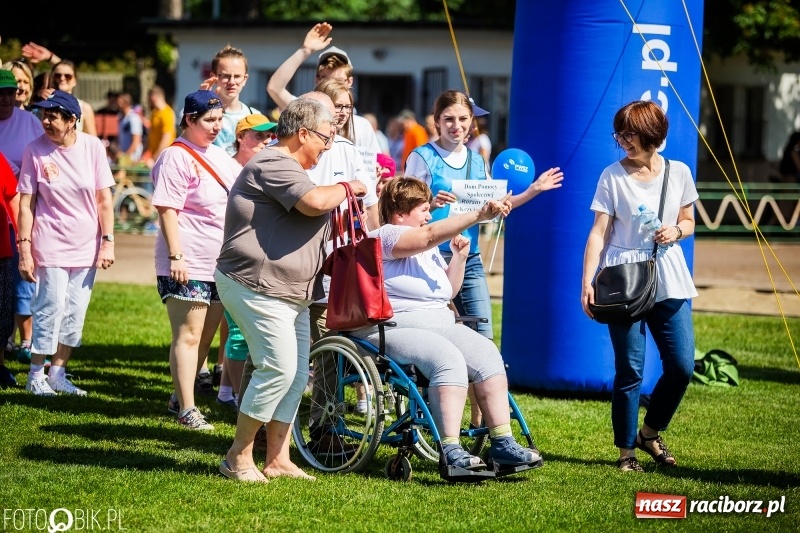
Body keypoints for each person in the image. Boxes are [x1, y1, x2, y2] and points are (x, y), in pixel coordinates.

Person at [215, 97, 368, 483]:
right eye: (325, 138)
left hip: (291, 292)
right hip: (256, 285)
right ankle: (237, 457)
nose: (327, 147)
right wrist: (349, 185)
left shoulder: (289, 166)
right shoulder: (272, 162)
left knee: (297, 375)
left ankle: (278, 459)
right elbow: (314, 202)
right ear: (302, 133)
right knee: (278, 369)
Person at [351, 177, 542, 471]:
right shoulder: (385, 236)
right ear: (401, 212)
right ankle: (451, 450)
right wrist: (479, 214)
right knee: (447, 359)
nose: (429, 216)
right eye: (424, 209)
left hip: (440, 323)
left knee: (487, 354)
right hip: (393, 328)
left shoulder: (425, 247)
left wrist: (459, 258)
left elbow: (447, 292)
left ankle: (502, 443)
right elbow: (428, 235)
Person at [581, 100, 698, 472]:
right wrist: (588, 282)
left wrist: (677, 230)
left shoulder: (678, 172)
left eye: (629, 133)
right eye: (619, 133)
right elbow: (598, 233)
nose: (622, 140)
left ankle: (650, 432)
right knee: (630, 369)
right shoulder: (611, 176)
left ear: (652, 133)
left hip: (670, 274)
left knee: (682, 365)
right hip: (623, 279)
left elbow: (689, 219)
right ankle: (626, 452)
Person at [404, 89, 564, 340]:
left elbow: (493, 204)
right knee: (431, 337)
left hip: (469, 256)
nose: (456, 125)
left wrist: (534, 190)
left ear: (471, 122)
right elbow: (403, 210)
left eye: (462, 119)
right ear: (437, 121)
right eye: (448, 119)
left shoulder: (477, 161)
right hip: (430, 257)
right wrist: (432, 205)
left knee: (484, 337)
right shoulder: (422, 156)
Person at [151, 90, 240, 430]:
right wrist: (176, 255)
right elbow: (167, 211)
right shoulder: (176, 157)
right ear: (189, 120)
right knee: (188, 335)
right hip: (186, 260)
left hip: (218, 262)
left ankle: (178, 397)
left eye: (220, 120)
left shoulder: (217, 155)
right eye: (209, 120)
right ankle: (187, 409)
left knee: (204, 337)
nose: (217, 126)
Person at [17, 90, 116, 396]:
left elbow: (104, 201)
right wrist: (24, 248)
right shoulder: (35, 150)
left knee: (75, 312)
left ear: (72, 120)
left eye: (53, 116)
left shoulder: (92, 147)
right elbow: (26, 204)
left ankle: (58, 372)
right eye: (44, 114)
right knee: (50, 307)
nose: (46, 121)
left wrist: (107, 241)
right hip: (50, 243)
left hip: (86, 247)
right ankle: (36, 374)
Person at [214, 113, 278, 410]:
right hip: (230, 259)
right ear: (240, 137)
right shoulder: (227, 168)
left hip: (246, 257)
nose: (265, 141)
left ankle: (227, 391)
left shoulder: (263, 167)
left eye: (268, 136)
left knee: (236, 329)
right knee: (240, 331)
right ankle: (242, 399)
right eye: (258, 135)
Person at [266, 23, 382, 158]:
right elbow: (274, 87)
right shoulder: (303, 112)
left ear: (349, 82)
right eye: (326, 79)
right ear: (316, 80)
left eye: (338, 81)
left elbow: (373, 164)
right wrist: (305, 50)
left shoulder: (362, 126)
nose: (331, 87)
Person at [0, 69, 44, 364]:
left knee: (22, 281)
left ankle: (27, 342)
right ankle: (7, 343)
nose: (5, 98)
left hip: (21, 211)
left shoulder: (29, 122)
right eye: (0, 93)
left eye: (10, 92)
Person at [201, 45, 261, 156]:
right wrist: (201, 106)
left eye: (237, 76)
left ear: (245, 79)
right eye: (225, 76)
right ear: (213, 77)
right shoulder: (202, 113)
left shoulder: (255, 116)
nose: (232, 82)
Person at [0, 152, 19, 387]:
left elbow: (12, 196)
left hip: (1, 249)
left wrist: (22, 236)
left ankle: (1, 366)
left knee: (2, 313)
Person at [49, 60, 97, 136]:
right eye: (57, 75)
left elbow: (93, 141)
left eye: (68, 76)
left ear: (75, 80)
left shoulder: (84, 108)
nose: (62, 78)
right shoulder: (44, 105)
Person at [144, 85, 176, 166]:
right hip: (154, 156)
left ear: (154, 97)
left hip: (164, 157)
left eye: (149, 97)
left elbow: (166, 138)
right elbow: (150, 135)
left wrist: (155, 157)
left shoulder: (167, 113)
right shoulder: (154, 113)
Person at [117, 93, 144, 164]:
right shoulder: (121, 118)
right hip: (124, 155)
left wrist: (126, 156)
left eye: (120, 102)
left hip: (133, 157)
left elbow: (136, 141)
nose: (118, 104)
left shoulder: (133, 118)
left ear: (126, 103)